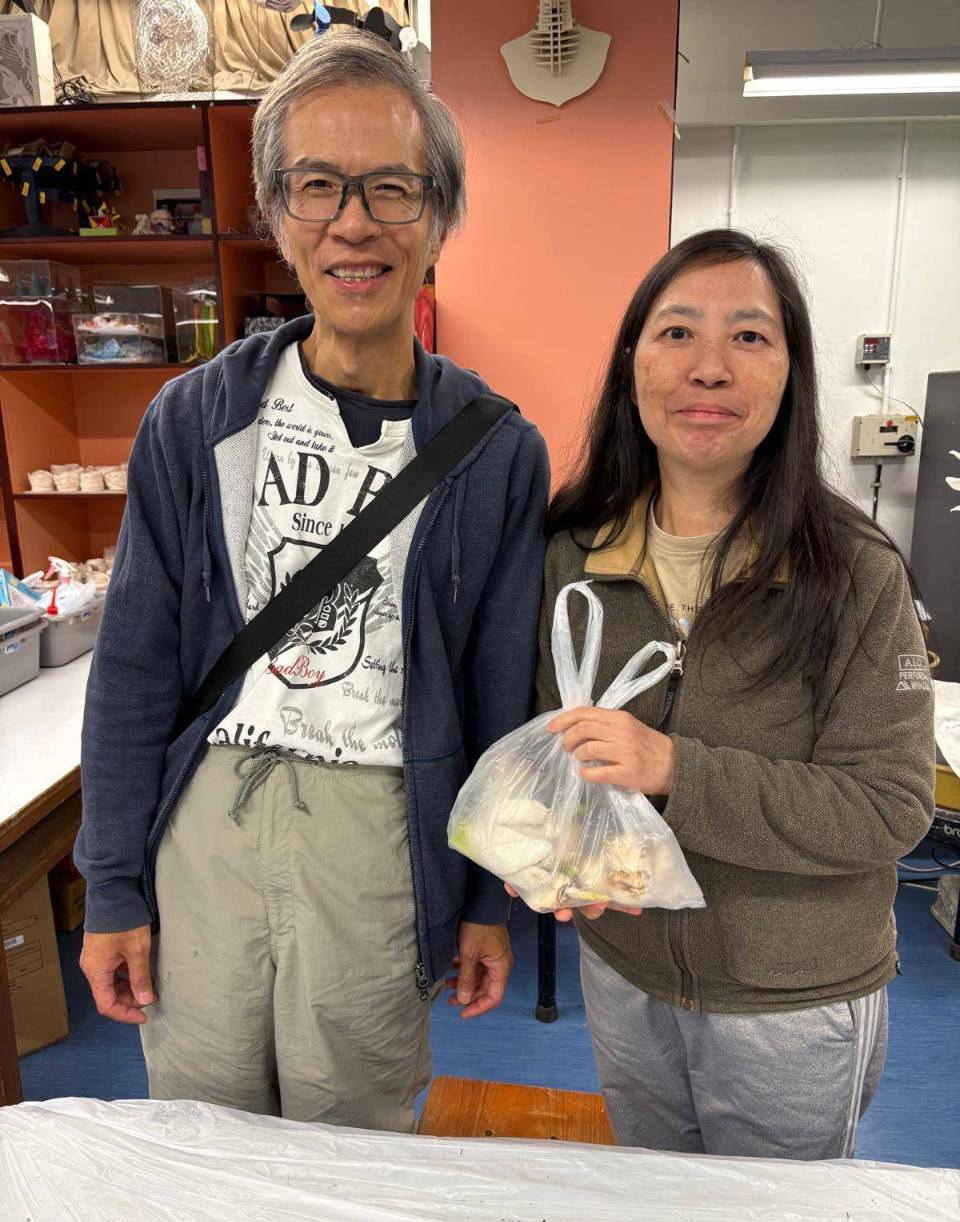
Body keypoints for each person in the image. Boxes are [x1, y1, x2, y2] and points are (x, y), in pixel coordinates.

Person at [75, 32, 549, 1132]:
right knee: (203, 1127)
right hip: (206, 822)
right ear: (276, 211)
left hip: (381, 829)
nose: (354, 222)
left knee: (353, 1133)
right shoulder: (195, 419)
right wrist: (113, 887)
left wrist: (487, 898)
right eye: (318, 185)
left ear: (440, 213)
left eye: (392, 186)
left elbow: (499, 696)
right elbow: (134, 665)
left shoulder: (496, 451)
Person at [533, 229, 935, 1160]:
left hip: (789, 1003)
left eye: (749, 337)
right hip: (625, 974)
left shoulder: (855, 572)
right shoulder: (572, 554)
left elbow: (890, 807)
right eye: (677, 333)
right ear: (632, 363)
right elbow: (553, 748)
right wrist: (550, 843)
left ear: (791, 374)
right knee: (659, 1210)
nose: (709, 368)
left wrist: (677, 769)